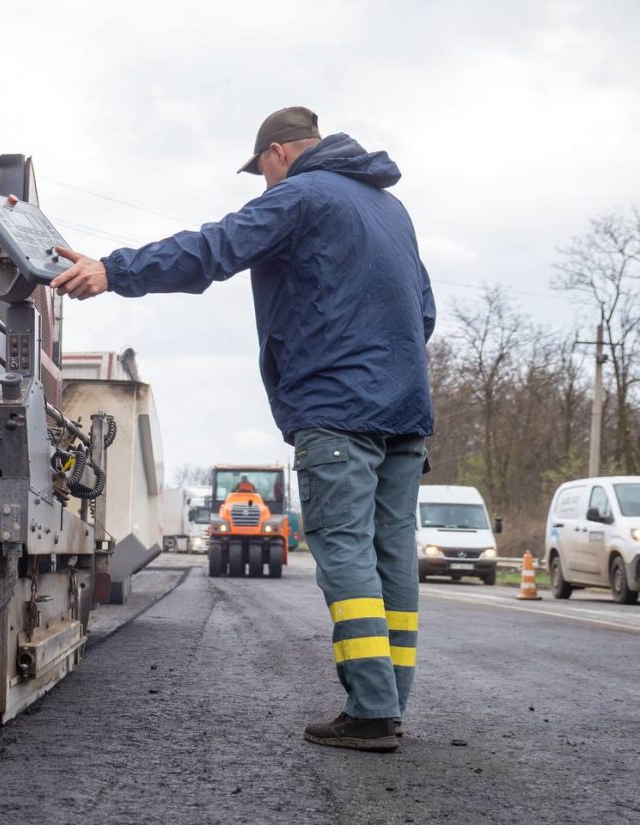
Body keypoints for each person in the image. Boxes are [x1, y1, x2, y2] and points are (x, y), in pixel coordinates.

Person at [49, 106, 434, 753]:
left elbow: (213, 248)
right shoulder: (392, 212)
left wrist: (114, 270)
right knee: (392, 557)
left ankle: (371, 709)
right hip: (405, 411)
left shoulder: (301, 195)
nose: (263, 185)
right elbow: (424, 311)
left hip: (338, 410)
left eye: (261, 172)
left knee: (343, 551)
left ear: (278, 154)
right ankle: (390, 700)